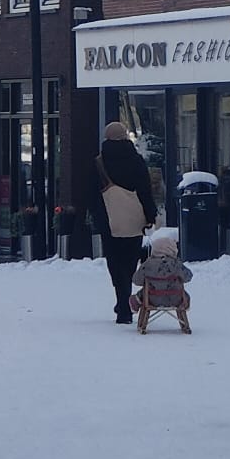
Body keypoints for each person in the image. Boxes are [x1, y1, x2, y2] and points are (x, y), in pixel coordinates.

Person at [90, 121, 156, 325]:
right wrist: (150, 214)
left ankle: (122, 302)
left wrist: (97, 216)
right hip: (133, 218)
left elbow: (91, 194)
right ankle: (126, 302)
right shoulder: (135, 160)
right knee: (130, 259)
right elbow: (145, 189)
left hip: (108, 220)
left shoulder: (99, 162)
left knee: (114, 261)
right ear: (125, 137)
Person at [131, 231, 194, 334]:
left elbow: (136, 280)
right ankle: (185, 315)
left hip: (152, 300)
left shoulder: (148, 264)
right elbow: (188, 277)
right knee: (183, 293)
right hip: (176, 300)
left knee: (145, 291)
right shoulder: (176, 264)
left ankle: (137, 300)